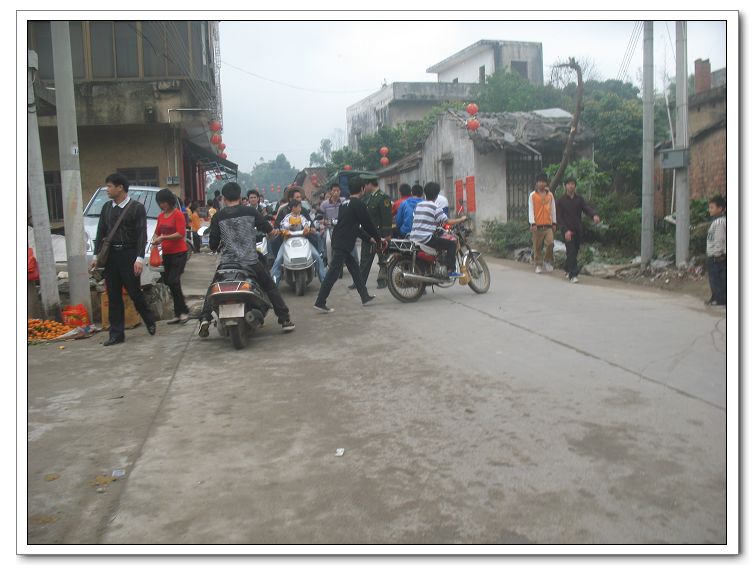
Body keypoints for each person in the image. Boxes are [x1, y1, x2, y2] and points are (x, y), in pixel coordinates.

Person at [197, 182, 294, 336]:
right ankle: (284, 319)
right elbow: (268, 229)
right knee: (270, 286)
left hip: (227, 264)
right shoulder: (250, 211)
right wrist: (273, 232)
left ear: (224, 198)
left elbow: (213, 245)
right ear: (240, 196)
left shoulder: (218, 216)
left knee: (213, 288)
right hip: (250, 262)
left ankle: (204, 319)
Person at [89, 173, 156, 346]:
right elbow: (101, 232)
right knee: (113, 295)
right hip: (111, 256)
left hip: (129, 254)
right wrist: (96, 256)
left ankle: (148, 318)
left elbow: (142, 234)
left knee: (134, 293)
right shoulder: (106, 207)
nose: (107, 189)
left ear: (120, 188)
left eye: (110, 186)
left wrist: (139, 258)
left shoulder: (136, 208)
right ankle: (116, 334)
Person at [313, 176, 382, 313]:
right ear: (362, 189)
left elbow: (354, 227)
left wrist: (369, 239)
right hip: (343, 243)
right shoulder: (358, 204)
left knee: (355, 269)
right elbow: (368, 224)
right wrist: (378, 239)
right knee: (333, 273)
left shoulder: (344, 204)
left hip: (340, 240)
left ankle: (364, 296)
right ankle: (320, 301)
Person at [409, 182, 467, 278]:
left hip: (413, 237)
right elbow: (448, 222)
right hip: (425, 238)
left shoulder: (419, 205)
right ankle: (451, 270)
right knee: (451, 244)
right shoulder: (435, 207)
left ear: (425, 193)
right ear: (437, 195)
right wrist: (461, 219)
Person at [152, 189, 191, 324]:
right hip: (167, 254)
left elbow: (180, 234)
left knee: (174, 281)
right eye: (160, 202)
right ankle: (179, 312)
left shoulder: (178, 214)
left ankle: (183, 311)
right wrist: (155, 240)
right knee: (170, 283)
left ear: (170, 201)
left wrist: (163, 237)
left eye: (164, 202)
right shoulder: (161, 216)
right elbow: (157, 232)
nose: (162, 205)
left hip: (179, 253)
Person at [271, 199, 327, 285]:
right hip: (287, 241)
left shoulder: (302, 217)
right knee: (278, 260)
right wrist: (288, 228)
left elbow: (306, 223)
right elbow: (283, 225)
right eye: (299, 207)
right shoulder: (287, 217)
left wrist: (307, 228)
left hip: (303, 240)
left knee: (317, 256)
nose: (300, 209)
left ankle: (324, 280)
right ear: (293, 208)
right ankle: (274, 284)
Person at [556, 176, 600, 283]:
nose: (571, 186)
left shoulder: (579, 199)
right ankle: (573, 275)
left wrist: (594, 215)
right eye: (568, 184)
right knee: (571, 251)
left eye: (573, 184)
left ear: (575, 186)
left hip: (577, 229)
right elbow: (559, 218)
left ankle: (567, 268)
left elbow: (586, 208)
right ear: (565, 186)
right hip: (567, 230)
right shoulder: (561, 201)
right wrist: (565, 230)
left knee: (574, 251)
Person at [357, 173, 392, 289]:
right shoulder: (370, 197)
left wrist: (387, 235)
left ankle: (382, 280)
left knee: (382, 258)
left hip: (379, 233)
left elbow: (386, 217)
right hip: (368, 233)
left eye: (364, 185)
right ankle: (360, 281)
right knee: (364, 258)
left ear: (370, 184)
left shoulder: (383, 197)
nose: (363, 188)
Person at [528, 173, 557, 274]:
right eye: (540, 181)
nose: (541, 183)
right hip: (537, 225)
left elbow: (553, 209)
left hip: (548, 225)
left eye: (543, 181)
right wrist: (532, 223)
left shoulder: (550, 195)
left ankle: (547, 260)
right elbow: (531, 210)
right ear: (536, 183)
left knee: (550, 243)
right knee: (537, 246)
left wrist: (554, 222)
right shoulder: (532, 195)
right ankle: (538, 264)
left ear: (546, 183)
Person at [705, 194, 726, 306]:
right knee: (714, 279)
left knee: (717, 279)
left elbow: (719, 239)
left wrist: (718, 255)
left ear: (720, 208)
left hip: (716, 257)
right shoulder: (717, 221)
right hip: (713, 256)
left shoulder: (719, 222)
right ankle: (715, 297)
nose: (710, 210)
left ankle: (720, 299)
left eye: (712, 207)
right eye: (709, 207)